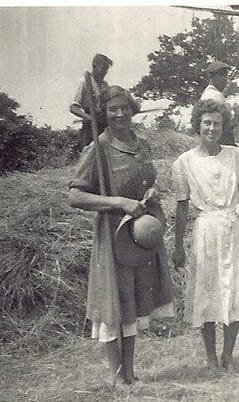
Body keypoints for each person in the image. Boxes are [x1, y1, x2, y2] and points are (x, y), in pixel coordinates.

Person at [68, 85, 173, 385]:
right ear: (104, 113)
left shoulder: (142, 145)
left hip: (139, 235)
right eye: (112, 109)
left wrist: (149, 191)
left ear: (132, 110)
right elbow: (75, 196)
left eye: (124, 107)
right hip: (113, 236)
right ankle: (116, 378)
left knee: (132, 302)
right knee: (113, 304)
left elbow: (146, 180)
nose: (119, 114)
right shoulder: (97, 149)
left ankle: (130, 373)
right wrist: (117, 202)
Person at [172, 99, 239, 370]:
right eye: (207, 123)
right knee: (207, 293)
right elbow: (182, 204)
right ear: (197, 125)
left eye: (217, 124)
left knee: (235, 289)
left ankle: (228, 354)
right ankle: (210, 356)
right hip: (206, 230)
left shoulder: (234, 154)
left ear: (224, 126)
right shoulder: (184, 162)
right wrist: (178, 246)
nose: (212, 128)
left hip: (233, 226)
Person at [70, 53, 113, 150]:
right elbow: (73, 108)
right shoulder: (85, 82)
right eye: (103, 68)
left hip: (104, 127)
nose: (105, 72)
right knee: (89, 158)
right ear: (95, 66)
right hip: (90, 128)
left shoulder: (104, 84)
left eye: (107, 69)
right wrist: (88, 117)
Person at [200, 61, 239, 146]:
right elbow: (224, 127)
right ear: (212, 77)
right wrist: (237, 115)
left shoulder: (211, 93)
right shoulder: (214, 95)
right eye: (221, 75)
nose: (225, 79)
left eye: (226, 75)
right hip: (220, 143)